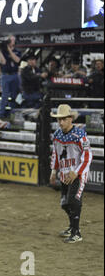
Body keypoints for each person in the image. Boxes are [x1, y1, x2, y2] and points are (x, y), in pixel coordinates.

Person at [49, 104, 93, 243]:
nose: (61, 122)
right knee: (64, 203)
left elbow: (87, 156)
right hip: (65, 173)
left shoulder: (80, 135)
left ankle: (76, 232)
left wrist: (77, 172)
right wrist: (53, 171)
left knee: (73, 201)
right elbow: (55, 153)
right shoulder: (57, 135)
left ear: (70, 119)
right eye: (59, 119)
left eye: (63, 119)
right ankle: (72, 227)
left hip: (78, 174)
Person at [0, 35, 22, 121]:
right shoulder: (3, 51)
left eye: (11, 40)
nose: (10, 42)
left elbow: (17, 60)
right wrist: (0, 50)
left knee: (14, 95)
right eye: (9, 40)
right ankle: (1, 114)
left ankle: (12, 113)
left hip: (14, 75)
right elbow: (3, 62)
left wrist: (9, 49)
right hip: (5, 75)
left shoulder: (17, 51)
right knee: (5, 95)